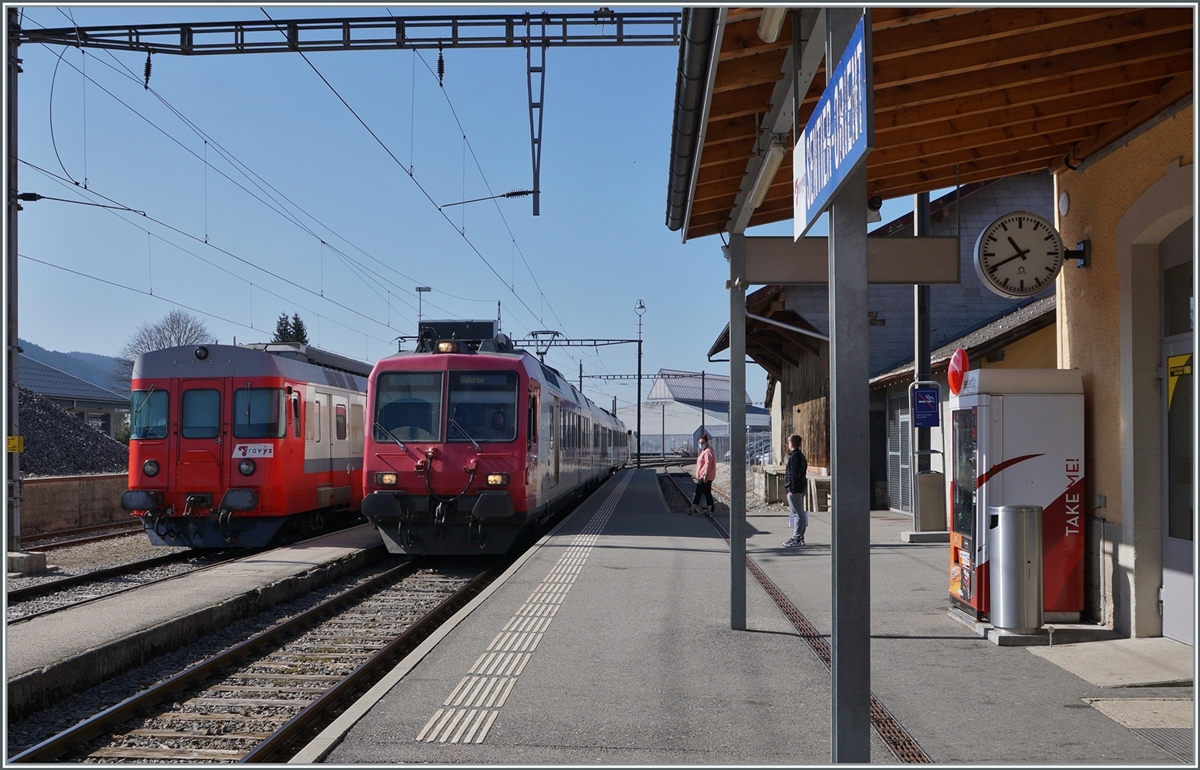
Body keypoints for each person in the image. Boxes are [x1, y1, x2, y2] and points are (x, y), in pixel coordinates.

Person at [783, 433, 808, 547]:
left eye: (788, 442)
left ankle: (796, 538)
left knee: (797, 514)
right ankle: (799, 537)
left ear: (791, 443)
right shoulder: (801, 456)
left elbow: (794, 474)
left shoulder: (793, 457)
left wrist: (792, 489)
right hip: (801, 488)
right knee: (800, 513)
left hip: (795, 490)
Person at [690, 434, 716, 517]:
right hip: (705, 475)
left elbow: (708, 463)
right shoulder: (704, 451)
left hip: (705, 476)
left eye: (702, 442)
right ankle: (710, 511)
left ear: (706, 442)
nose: (700, 444)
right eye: (700, 442)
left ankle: (692, 510)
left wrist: (705, 474)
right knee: (707, 492)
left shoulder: (708, 451)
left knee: (698, 492)